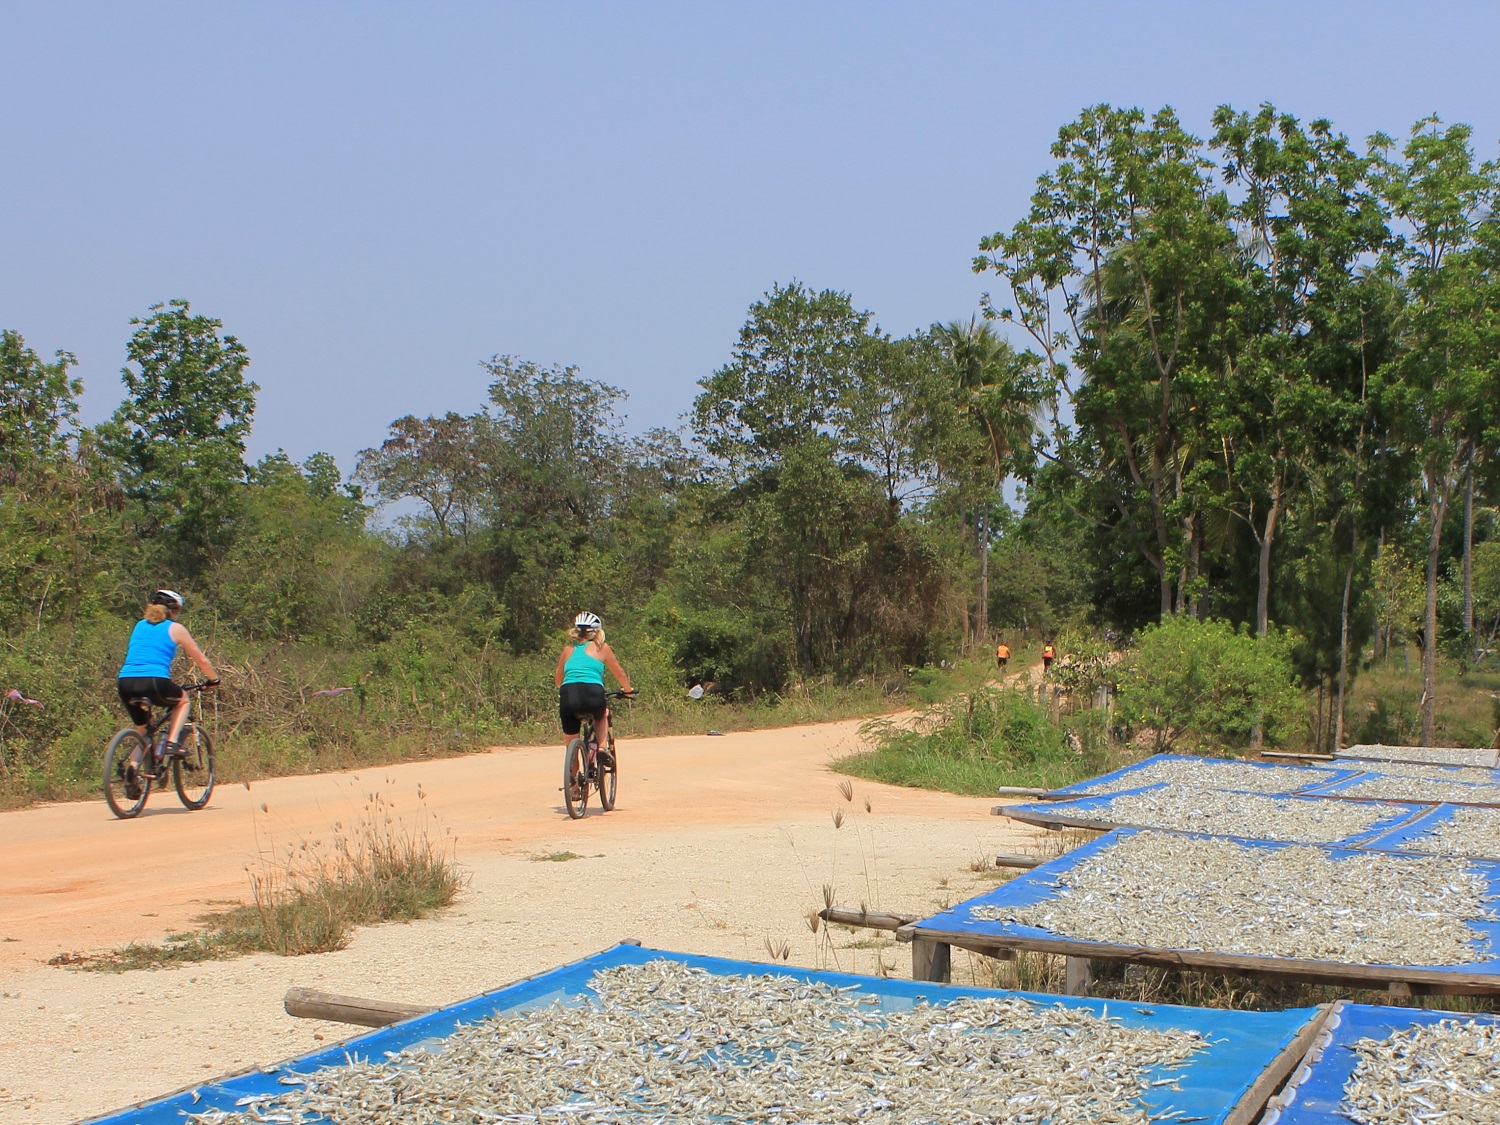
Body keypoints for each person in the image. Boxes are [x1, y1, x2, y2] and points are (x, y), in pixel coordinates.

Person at [116, 590, 219, 780]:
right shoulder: (175, 628)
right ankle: (172, 742)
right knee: (183, 702)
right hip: (154, 681)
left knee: (144, 732)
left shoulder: (139, 626)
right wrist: (214, 679)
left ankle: (133, 768)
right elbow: (201, 660)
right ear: (172, 610)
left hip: (125, 683)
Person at [555, 612, 635, 764]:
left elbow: (558, 680)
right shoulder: (602, 648)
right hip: (592, 692)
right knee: (602, 714)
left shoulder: (568, 649)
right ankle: (602, 749)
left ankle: (574, 784)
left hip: (568, 693)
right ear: (598, 631)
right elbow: (620, 674)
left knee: (570, 743)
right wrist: (628, 689)